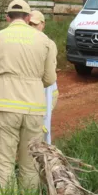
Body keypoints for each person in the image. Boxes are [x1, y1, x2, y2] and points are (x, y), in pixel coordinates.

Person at [0, 0, 57, 194]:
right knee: (30, 162)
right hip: (34, 108)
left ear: (7, 17)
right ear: (28, 18)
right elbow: (49, 78)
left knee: (4, 162)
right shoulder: (46, 42)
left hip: (4, 107)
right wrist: (32, 84)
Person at [28, 10, 59, 145]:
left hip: (45, 89)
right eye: (29, 24)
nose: (32, 28)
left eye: (35, 24)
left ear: (43, 24)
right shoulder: (25, 42)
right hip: (31, 89)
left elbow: (49, 76)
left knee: (41, 124)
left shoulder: (48, 44)